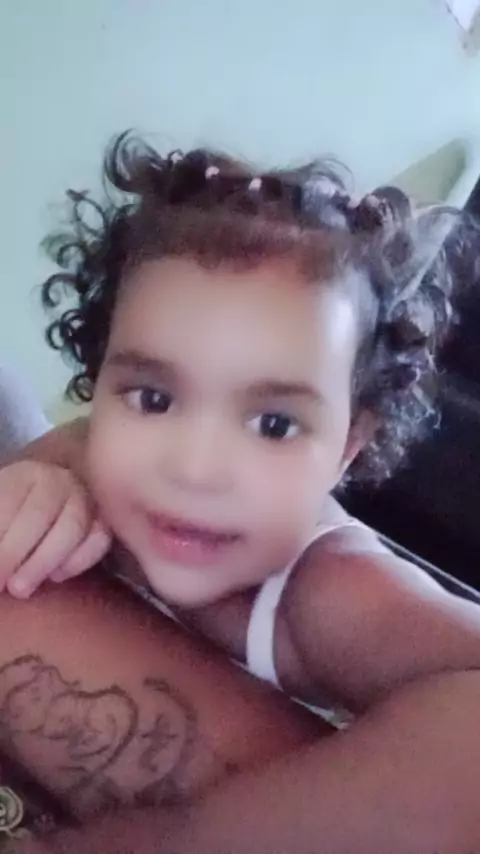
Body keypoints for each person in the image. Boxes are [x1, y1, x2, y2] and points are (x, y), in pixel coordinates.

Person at [2, 133, 480, 850]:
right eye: (154, 399)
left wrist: (183, 836)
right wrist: (33, 488)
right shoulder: (90, 457)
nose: (196, 468)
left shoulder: (334, 588)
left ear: (346, 449)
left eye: (273, 424)